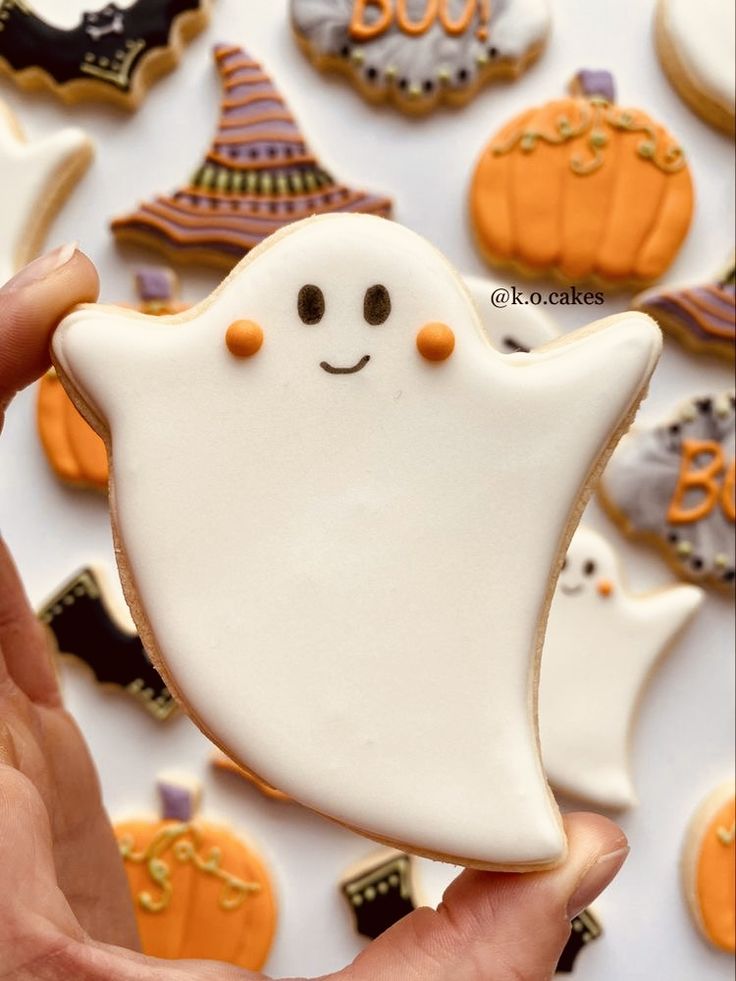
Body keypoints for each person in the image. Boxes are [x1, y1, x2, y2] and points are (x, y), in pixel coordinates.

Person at [0, 246, 630, 981]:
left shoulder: (468, 416)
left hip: (442, 717)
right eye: (308, 310)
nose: (345, 341)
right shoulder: (205, 398)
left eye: (376, 312)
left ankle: (494, 794)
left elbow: (578, 388)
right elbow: (110, 356)